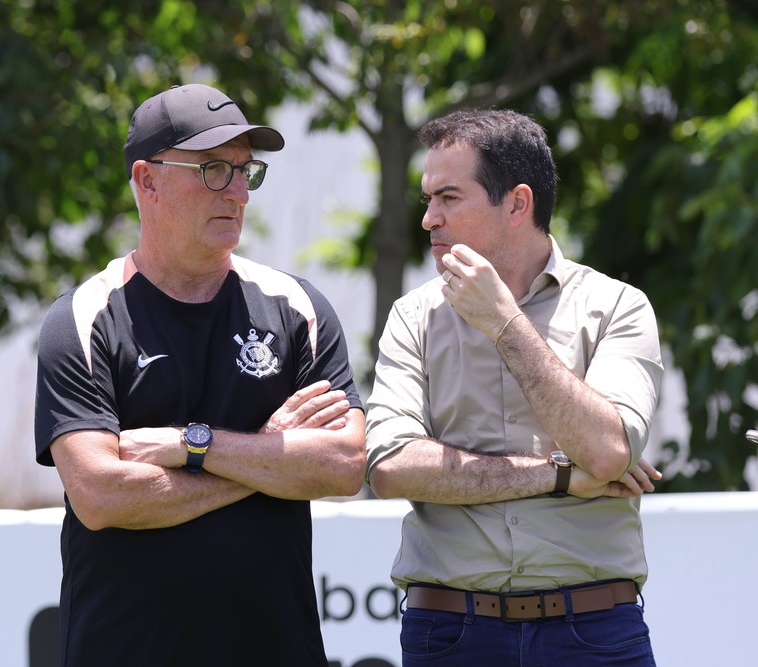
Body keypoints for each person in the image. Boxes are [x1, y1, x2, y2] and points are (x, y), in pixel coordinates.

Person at [34, 83, 366, 667]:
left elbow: (342, 465)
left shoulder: (296, 308)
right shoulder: (84, 319)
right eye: (213, 170)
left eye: (246, 172)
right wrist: (269, 457)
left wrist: (191, 445)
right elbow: (101, 495)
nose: (237, 192)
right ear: (147, 181)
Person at [364, 108, 665, 666]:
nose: (429, 218)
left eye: (448, 198)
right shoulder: (412, 317)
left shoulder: (619, 307)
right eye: (428, 199)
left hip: (594, 633)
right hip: (451, 632)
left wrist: (505, 322)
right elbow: (390, 468)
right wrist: (558, 475)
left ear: (517, 204)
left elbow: (606, 450)